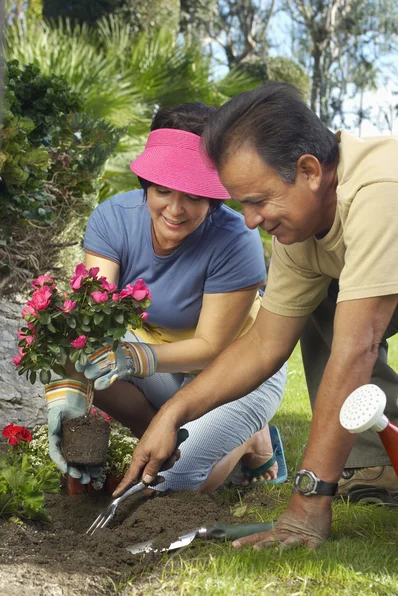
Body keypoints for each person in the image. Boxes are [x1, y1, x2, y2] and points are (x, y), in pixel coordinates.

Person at [116, 83, 398, 549]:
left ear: (308, 169)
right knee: (324, 304)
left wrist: (308, 503)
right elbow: (264, 344)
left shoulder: (379, 193)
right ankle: (379, 465)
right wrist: (173, 412)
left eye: (258, 201)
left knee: (352, 326)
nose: (249, 221)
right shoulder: (298, 229)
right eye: (241, 203)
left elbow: (354, 352)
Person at [45, 102, 287, 492]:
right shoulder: (113, 219)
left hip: (235, 371)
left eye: (193, 195)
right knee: (88, 360)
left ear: (214, 195)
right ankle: (170, 441)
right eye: (162, 191)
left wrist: (136, 357)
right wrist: (70, 390)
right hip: (163, 364)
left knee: (170, 485)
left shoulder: (236, 240)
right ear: (146, 185)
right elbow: (94, 324)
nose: (175, 210)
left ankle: (248, 439)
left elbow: (211, 349)